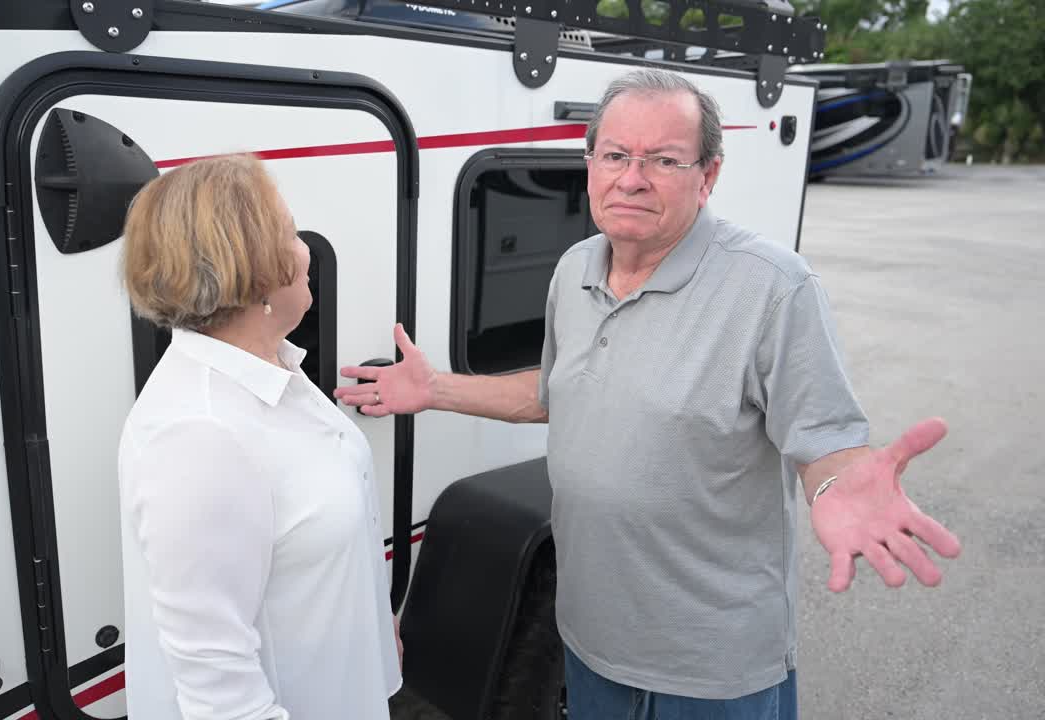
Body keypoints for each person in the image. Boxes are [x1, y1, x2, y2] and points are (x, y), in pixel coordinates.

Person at [334, 69, 961, 719]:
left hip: (711, 666)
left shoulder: (775, 288)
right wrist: (433, 387)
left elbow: (824, 443)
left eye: (663, 159)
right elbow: (554, 394)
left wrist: (836, 483)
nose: (631, 178)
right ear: (590, 164)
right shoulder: (575, 268)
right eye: (615, 155)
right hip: (588, 638)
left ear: (708, 175)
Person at [117, 154, 401, 720]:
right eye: (292, 233)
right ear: (255, 267)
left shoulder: (271, 371)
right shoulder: (199, 435)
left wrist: (373, 626)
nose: (306, 253)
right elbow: (218, 689)